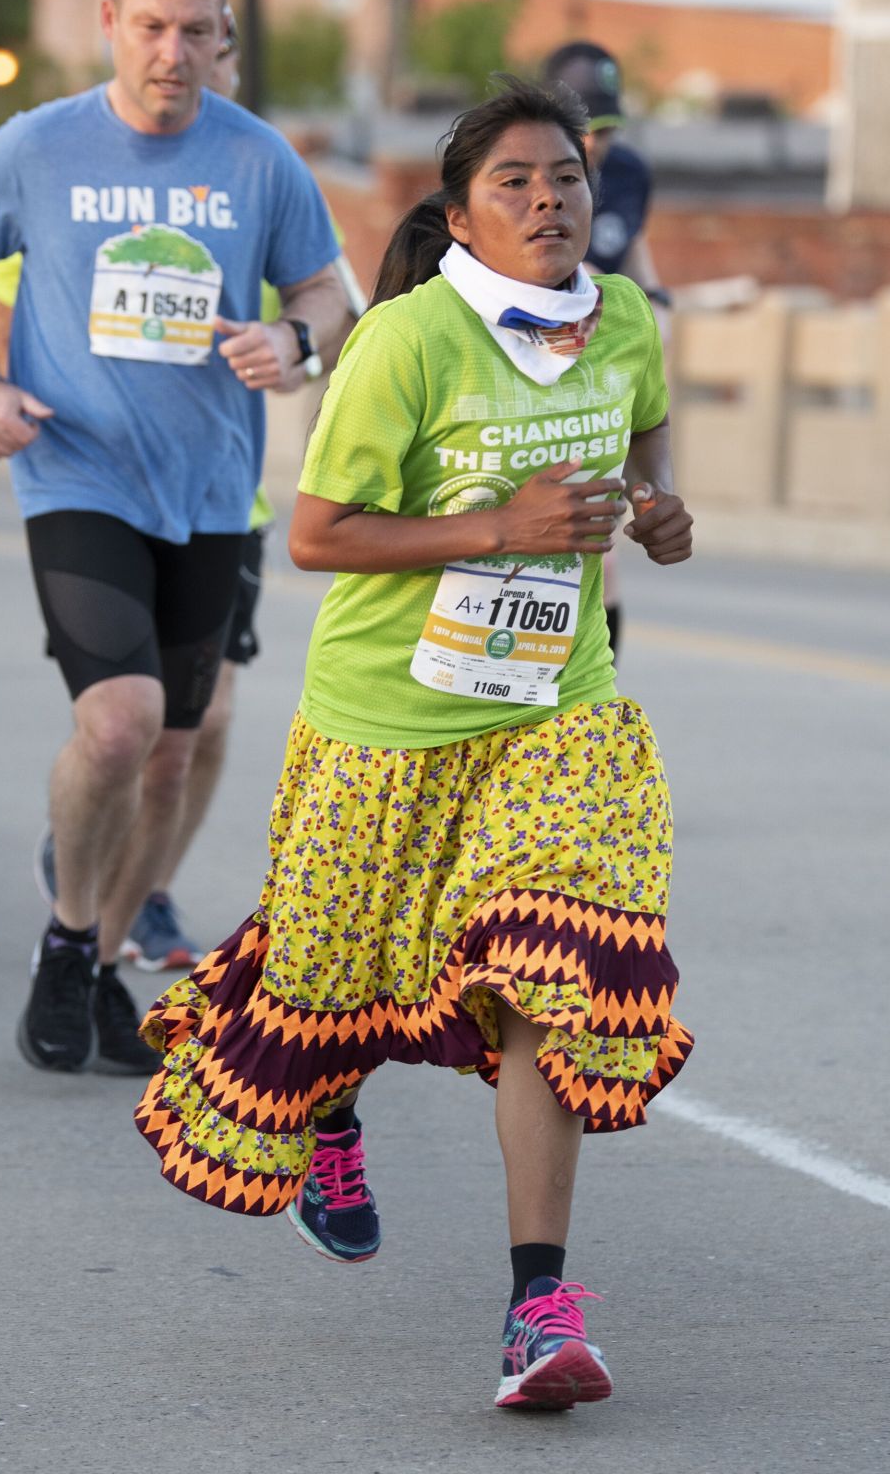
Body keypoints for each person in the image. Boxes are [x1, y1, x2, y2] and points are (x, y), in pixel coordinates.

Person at [134, 75, 694, 1410]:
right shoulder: (408, 343)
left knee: (548, 970)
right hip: (385, 727)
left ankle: (537, 1309)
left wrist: (663, 510)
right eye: (516, 182)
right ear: (458, 218)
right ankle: (328, 1105)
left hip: (557, 712)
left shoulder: (620, 317)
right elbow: (320, 534)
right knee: (329, 989)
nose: (551, 198)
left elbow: (648, 434)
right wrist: (497, 529)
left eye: (565, 176)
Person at [0, 0, 349, 1074]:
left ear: (222, 36)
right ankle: (67, 945)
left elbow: (329, 289)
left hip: (209, 493)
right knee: (115, 725)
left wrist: (294, 338)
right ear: (112, 21)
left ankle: (103, 963)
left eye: (195, 31)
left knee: (173, 752)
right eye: (152, 27)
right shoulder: (37, 145)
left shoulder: (259, 162)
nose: (173, 51)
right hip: (76, 473)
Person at [543, 42, 673, 662]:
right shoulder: (530, 172)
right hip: (537, 366)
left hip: (607, 373)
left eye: (608, 128)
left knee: (599, 542)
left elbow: (634, 249)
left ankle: (593, 687)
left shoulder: (629, 174)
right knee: (577, 540)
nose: (596, 144)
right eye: (584, 130)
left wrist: (658, 303)